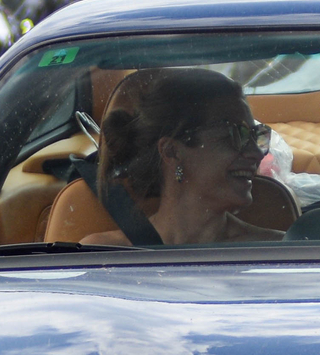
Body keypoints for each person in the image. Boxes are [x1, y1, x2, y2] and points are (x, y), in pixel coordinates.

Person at [82, 69, 284, 246]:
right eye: (234, 135)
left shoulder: (279, 251)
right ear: (171, 151)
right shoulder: (100, 254)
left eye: (257, 135)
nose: (257, 153)